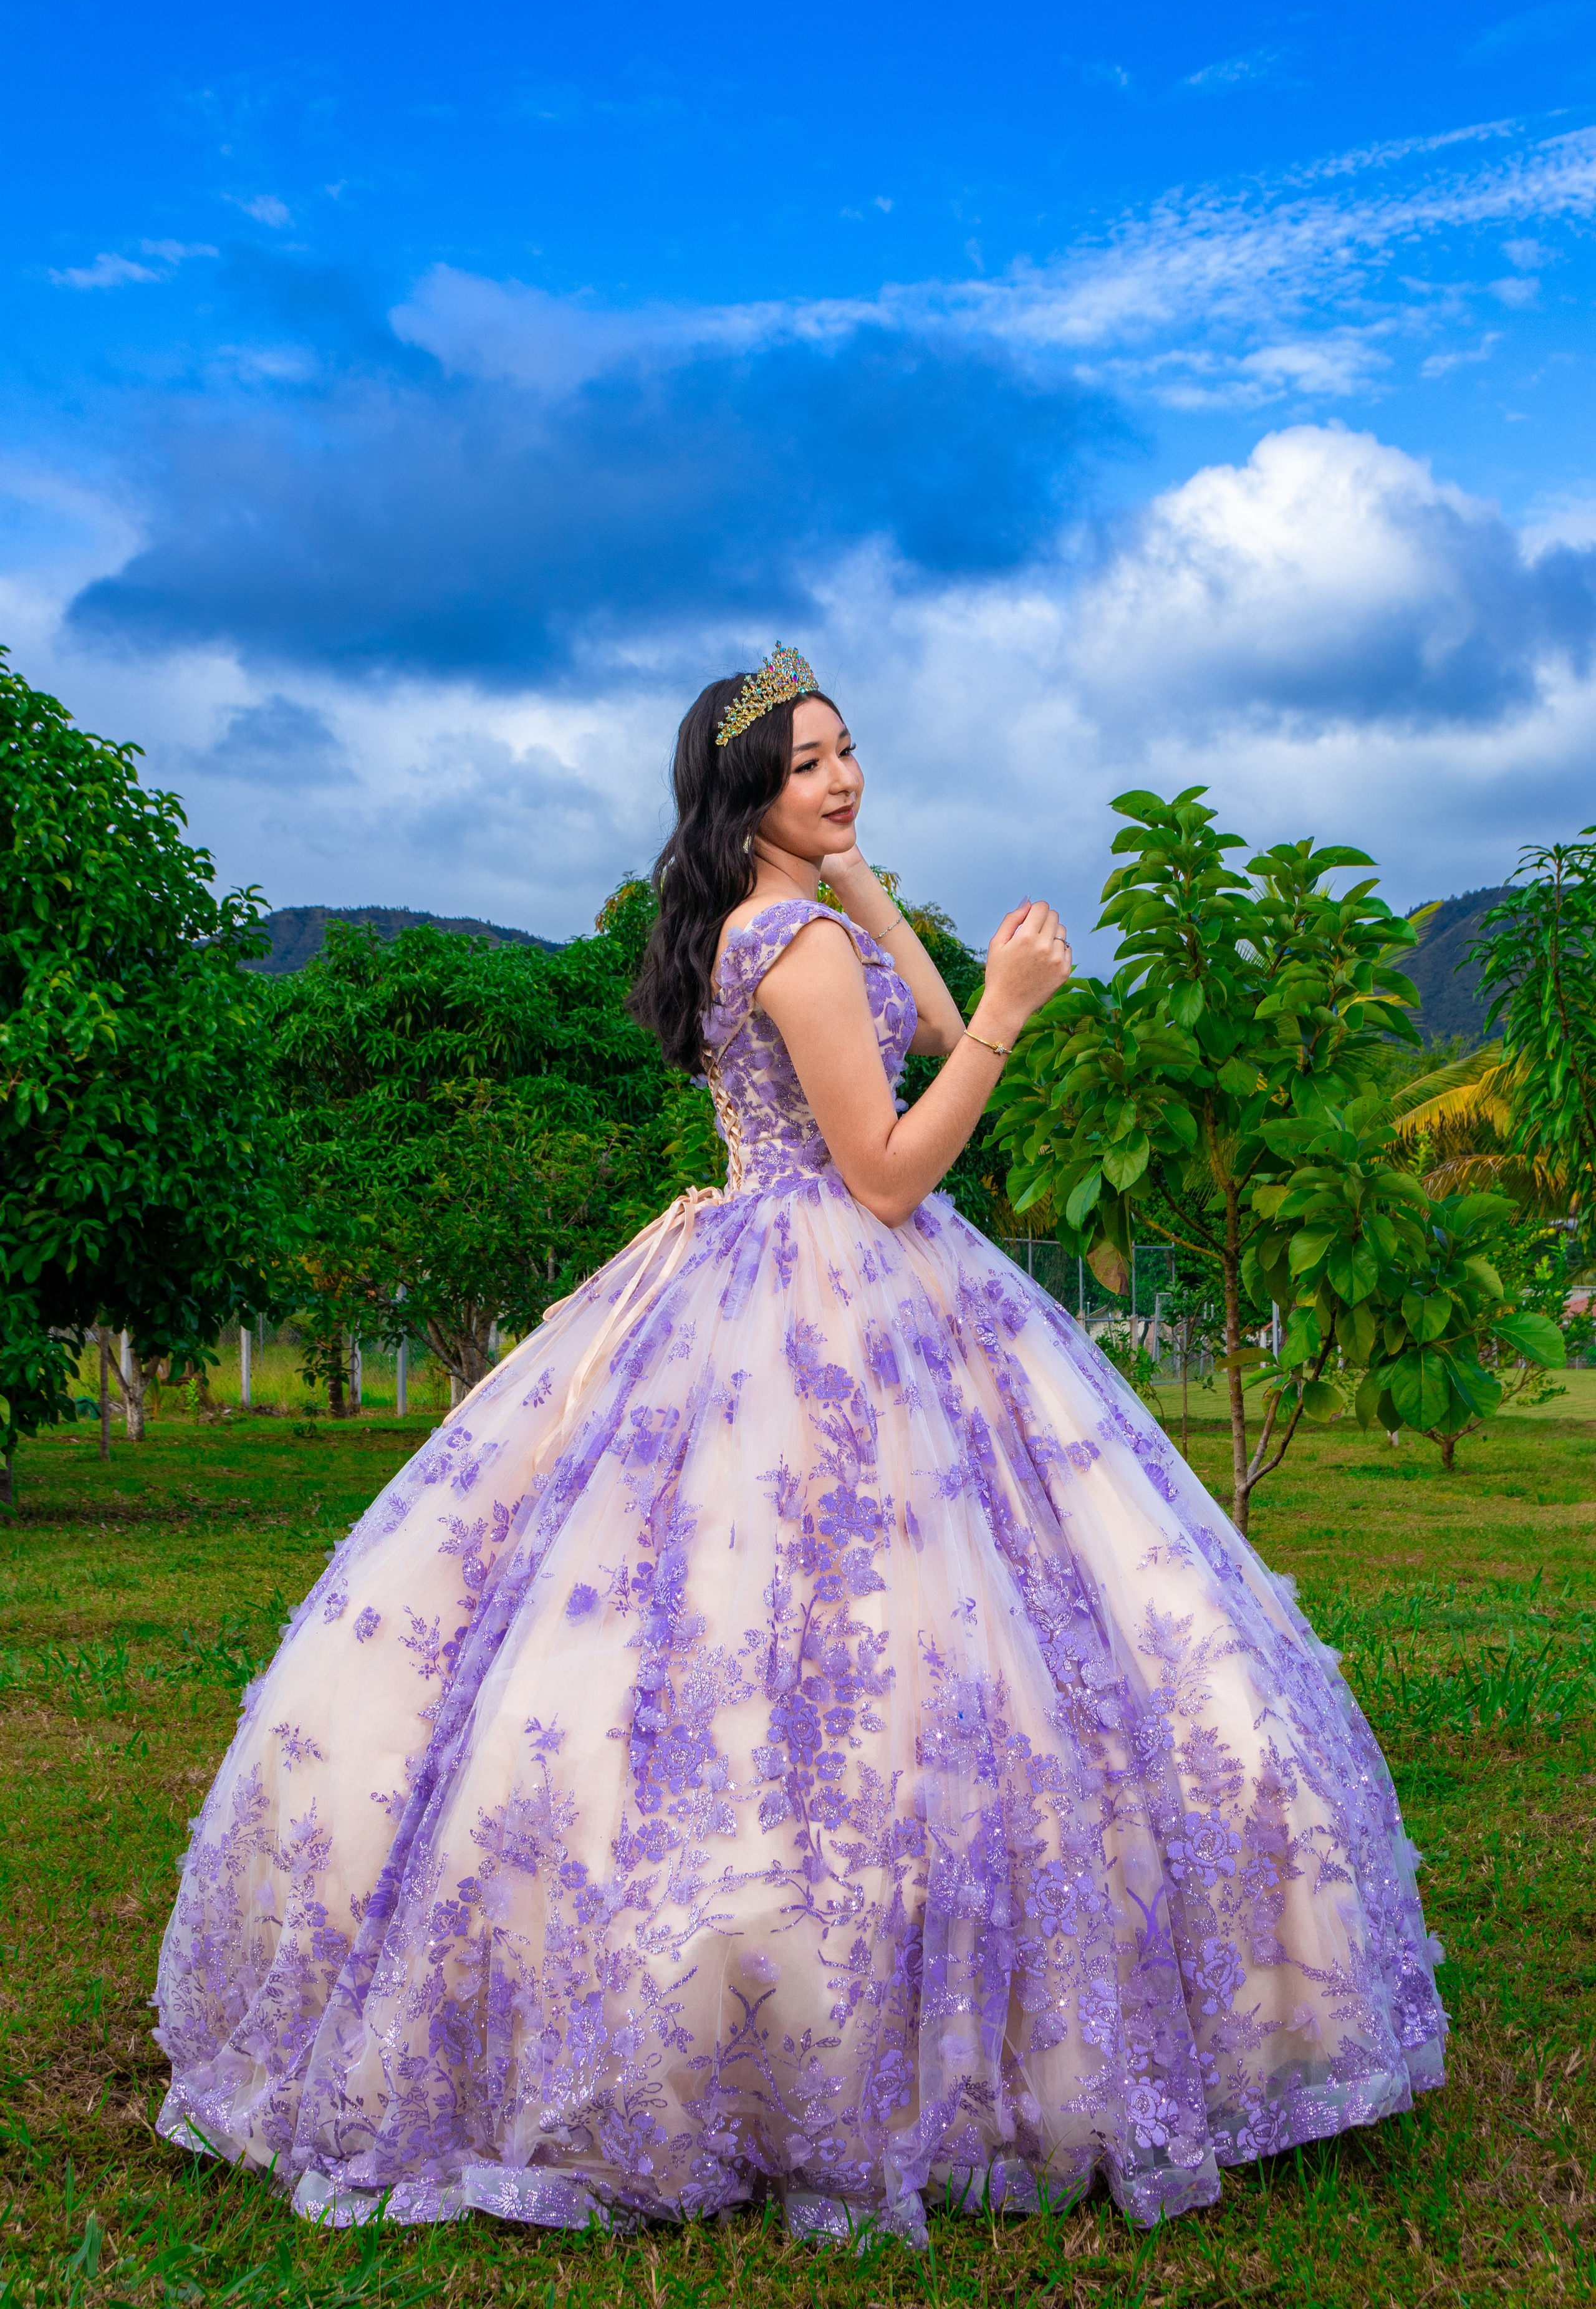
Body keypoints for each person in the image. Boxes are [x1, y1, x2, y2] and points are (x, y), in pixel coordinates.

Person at [154, 648, 1446, 2244]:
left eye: (846, 750)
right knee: (862, 1641)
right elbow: (893, 1172)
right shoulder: (793, 948)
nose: (837, 778)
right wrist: (1015, 1018)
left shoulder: (777, 921)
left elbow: (933, 1016)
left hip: (759, 1261)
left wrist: (884, 901)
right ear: (739, 793)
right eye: (804, 765)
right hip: (835, 1273)